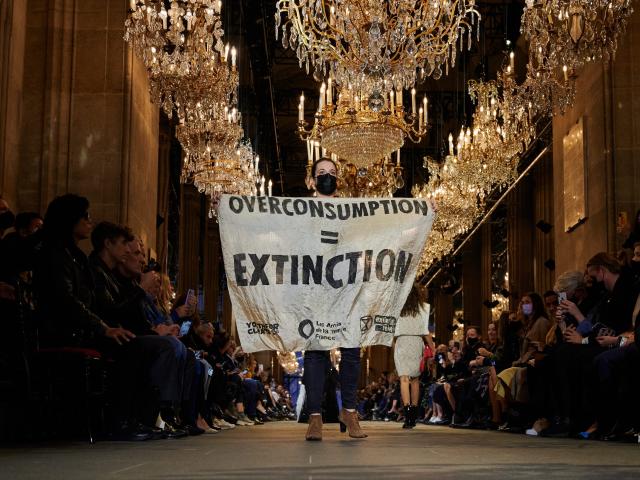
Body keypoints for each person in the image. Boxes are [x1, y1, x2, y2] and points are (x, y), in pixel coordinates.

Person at [303, 157, 366, 441]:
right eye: (321, 173)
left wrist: (422, 210)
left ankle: (349, 412)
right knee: (316, 352)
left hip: (346, 286)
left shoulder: (350, 210)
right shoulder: (299, 210)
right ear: (312, 179)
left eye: (332, 172)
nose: (327, 176)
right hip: (315, 286)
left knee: (351, 349)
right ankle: (314, 417)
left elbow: (379, 229)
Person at [393, 283, 432, 429]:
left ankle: (407, 414)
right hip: (416, 342)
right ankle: (413, 416)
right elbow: (425, 332)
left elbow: (392, 332)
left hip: (402, 342)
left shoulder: (397, 308)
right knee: (415, 379)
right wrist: (432, 349)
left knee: (404, 378)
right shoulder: (423, 308)